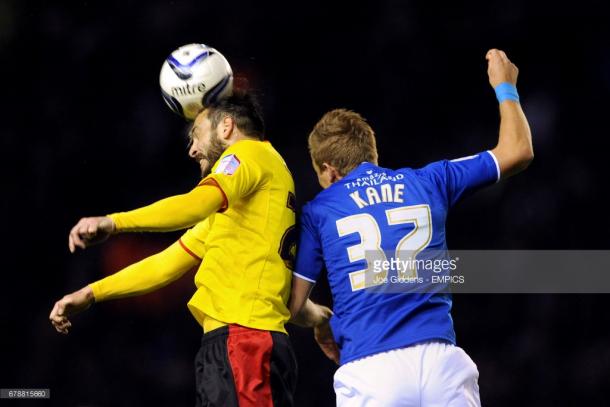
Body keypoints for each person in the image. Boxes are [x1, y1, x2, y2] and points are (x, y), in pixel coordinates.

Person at [50, 92, 331, 407]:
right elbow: (166, 263)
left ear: (226, 127)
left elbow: (193, 204)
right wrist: (91, 293)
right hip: (239, 345)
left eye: (196, 136)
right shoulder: (242, 210)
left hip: (245, 345)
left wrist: (114, 222)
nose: (193, 149)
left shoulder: (248, 155)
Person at [289, 49, 533, 406]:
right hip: (442, 366)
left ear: (328, 170)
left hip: (370, 370)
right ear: (373, 154)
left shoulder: (320, 209)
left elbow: (295, 305)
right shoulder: (428, 180)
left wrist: (321, 320)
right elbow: (518, 151)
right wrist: (505, 86)